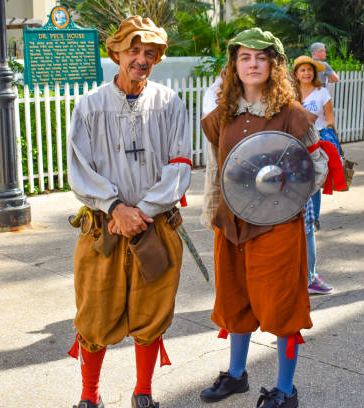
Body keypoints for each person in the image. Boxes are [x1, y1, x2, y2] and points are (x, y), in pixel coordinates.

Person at [66, 16, 192, 408]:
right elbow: (79, 167)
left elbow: (180, 164)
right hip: (103, 230)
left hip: (155, 227)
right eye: (133, 51)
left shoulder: (170, 104)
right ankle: (90, 396)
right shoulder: (90, 106)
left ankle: (143, 394)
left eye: (149, 53)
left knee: (152, 312)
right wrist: (116, 208)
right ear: (116, 52)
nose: (141, 59)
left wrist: (143, 211)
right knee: (95, 314)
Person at [199, 28, 328, 408]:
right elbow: (214, 170)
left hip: (277, 229)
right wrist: (213, 214)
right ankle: (237, 375)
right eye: (244, 57)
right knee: (235, 301)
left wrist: (286, 201)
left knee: (283, 307)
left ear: (274, 65)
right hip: (232, 226)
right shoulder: (220, 115)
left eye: (261, 57)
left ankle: (285, 391)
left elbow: (316, 168)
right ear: (234, 66)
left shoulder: (294, 115)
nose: (253, 64)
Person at [292, 55, 341, 294]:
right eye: (301, 70)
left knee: (309, 217)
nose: (306, 73)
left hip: (315, 153)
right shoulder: (289, 95)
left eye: (309, 70)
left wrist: (325, 140)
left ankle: (309, 275)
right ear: (296, 73)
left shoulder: (322, 94)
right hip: (291, 157)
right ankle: (299, 274)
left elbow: (329, 120)